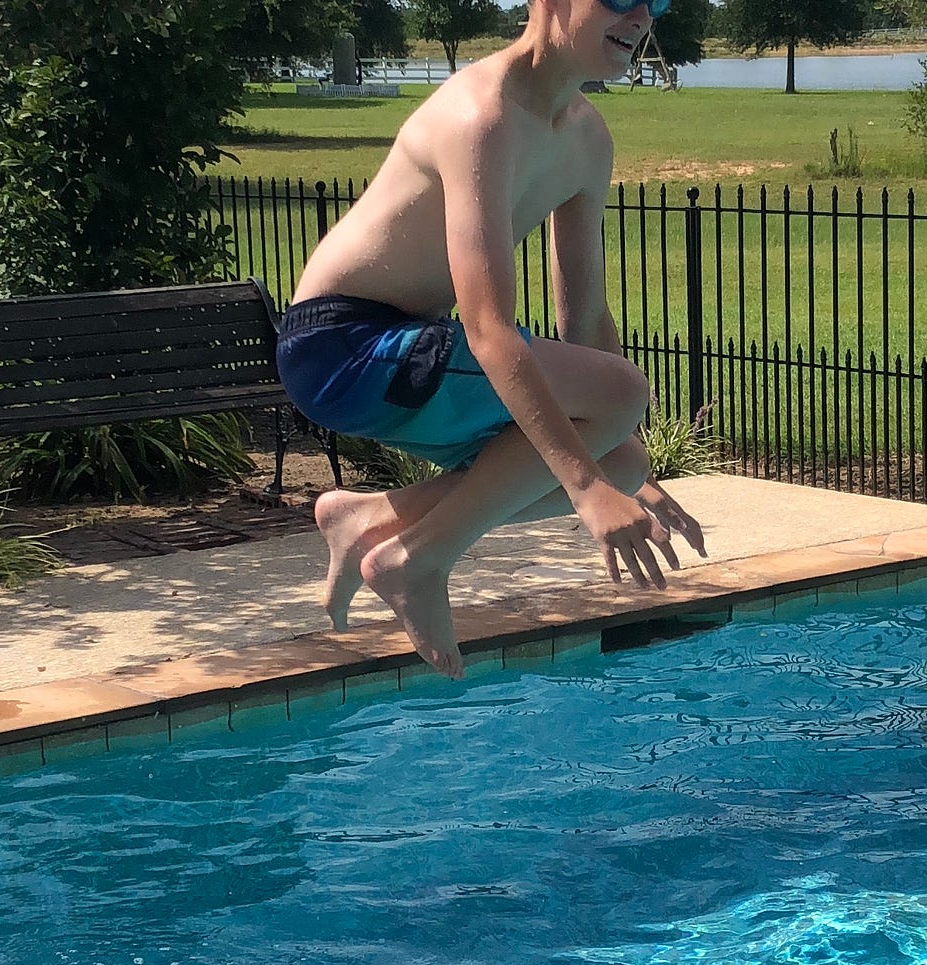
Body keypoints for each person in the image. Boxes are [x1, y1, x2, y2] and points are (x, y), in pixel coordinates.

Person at [275, 0, 704, 678]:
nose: (642, 15)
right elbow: (488, 329)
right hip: (341, 348)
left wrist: (622, 473)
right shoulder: (481, 117)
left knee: (621, 458)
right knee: (617, 407)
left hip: (410, 348)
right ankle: (413, 560)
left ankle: (366, 521)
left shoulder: (587, 137)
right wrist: (585, 489)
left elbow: (586, 320)